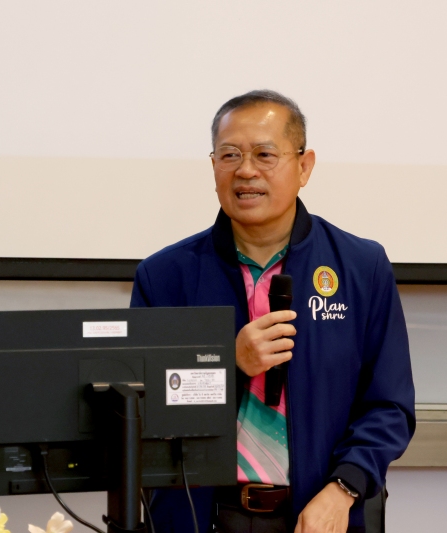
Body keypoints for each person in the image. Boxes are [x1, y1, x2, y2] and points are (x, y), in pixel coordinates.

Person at [131, 90, 415, 533]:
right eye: (230, 155)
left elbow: (389, 405)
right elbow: (143, 412)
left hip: (321, 515)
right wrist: (229, 365)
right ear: (213, 166)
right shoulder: (165, 276)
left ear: (304, 166)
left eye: (264, 154)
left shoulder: (361, 267)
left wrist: (343, 488)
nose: (246, 170)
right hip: (203, 516)